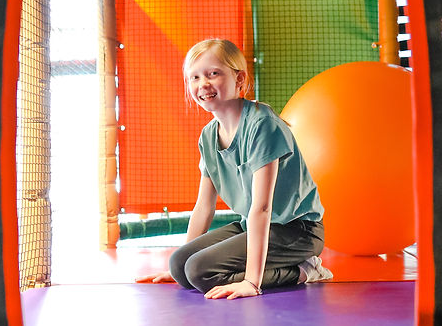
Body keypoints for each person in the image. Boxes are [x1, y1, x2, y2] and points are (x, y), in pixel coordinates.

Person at [136, 38, 332, 299]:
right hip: (251, 225)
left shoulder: (262, 124)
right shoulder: (208, 135)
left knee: (200, 271)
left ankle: (305, 270)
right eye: (194, 77)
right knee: (181, 265)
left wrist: (251, 282)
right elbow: (204, 206)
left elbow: (262, 207)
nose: (202, 84)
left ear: (239, 80)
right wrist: (178, 269)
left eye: (213, 74)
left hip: (296, 230)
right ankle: (188, 267)